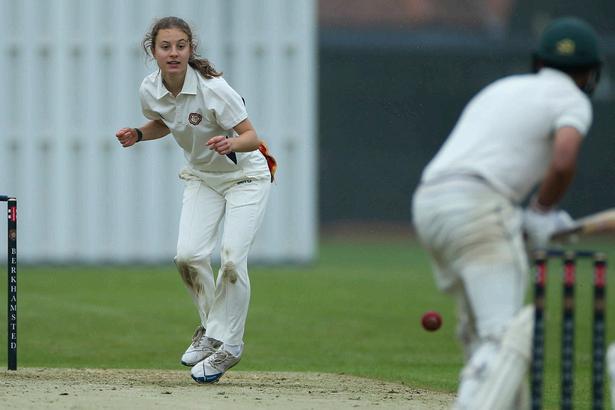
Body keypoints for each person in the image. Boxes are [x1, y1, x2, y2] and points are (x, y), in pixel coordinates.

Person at [411, 17, 602, 409]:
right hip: (479, 205)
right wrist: (542, 212)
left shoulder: (503, 89)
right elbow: (564, 160)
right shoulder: (572, 99)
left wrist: (525, 220)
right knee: (506, 336)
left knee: (481, 334)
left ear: (540, 61)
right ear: (589, 72)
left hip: (429, 202)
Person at [115, 16, 277, 384]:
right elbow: (167, 122)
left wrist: (230, 142)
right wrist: (139, 133)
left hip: (246, 177)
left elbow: (251, 136)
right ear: (153, 51)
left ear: (190, 50)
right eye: (165, 47)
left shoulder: (213, 88)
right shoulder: (150, 89)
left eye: (180, 46)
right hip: (203, 177)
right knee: (188, 256)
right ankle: (212, 332)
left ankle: (230, 346)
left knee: (232, 260)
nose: (173, 53)